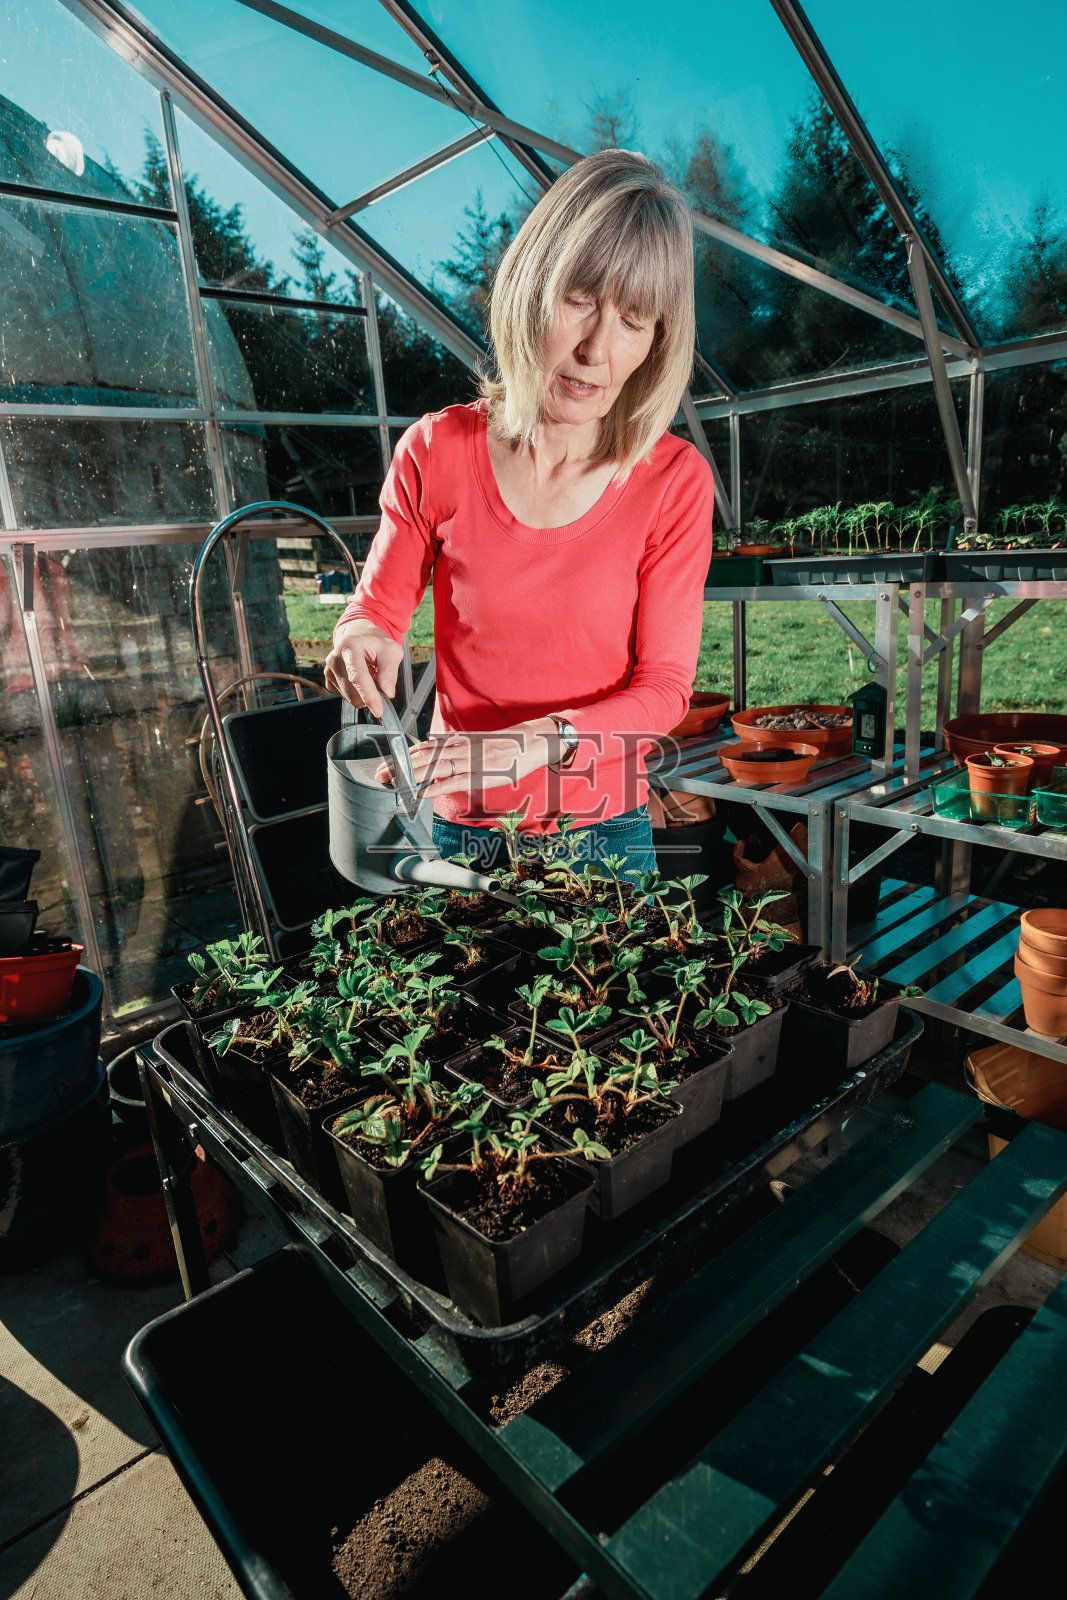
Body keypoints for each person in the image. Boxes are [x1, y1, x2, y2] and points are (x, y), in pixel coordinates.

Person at [324, 148, 713, 885]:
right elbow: (376, 607)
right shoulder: (438, 449)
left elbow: (664, 687)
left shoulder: (671, 481)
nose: (596, 348)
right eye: (579, 300)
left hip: (601, 829)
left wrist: (540, 740)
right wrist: (359, 636)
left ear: (658, 339)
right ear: (533, 284)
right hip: (458, 824)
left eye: (633, 320)